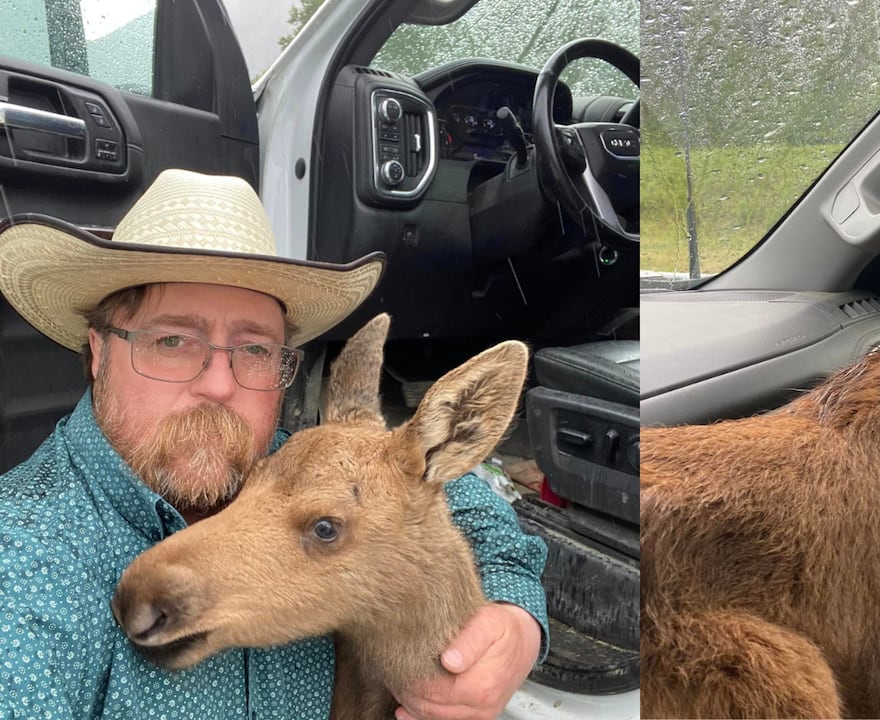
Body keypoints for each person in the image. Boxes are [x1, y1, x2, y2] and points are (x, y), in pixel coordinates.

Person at [0, 169, 547, 719]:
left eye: (255, 349)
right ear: (98, 351)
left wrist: (515, 617)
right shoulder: (25, 563)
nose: (219, 384)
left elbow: (455, 501)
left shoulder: (278, 458)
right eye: (171, 340)